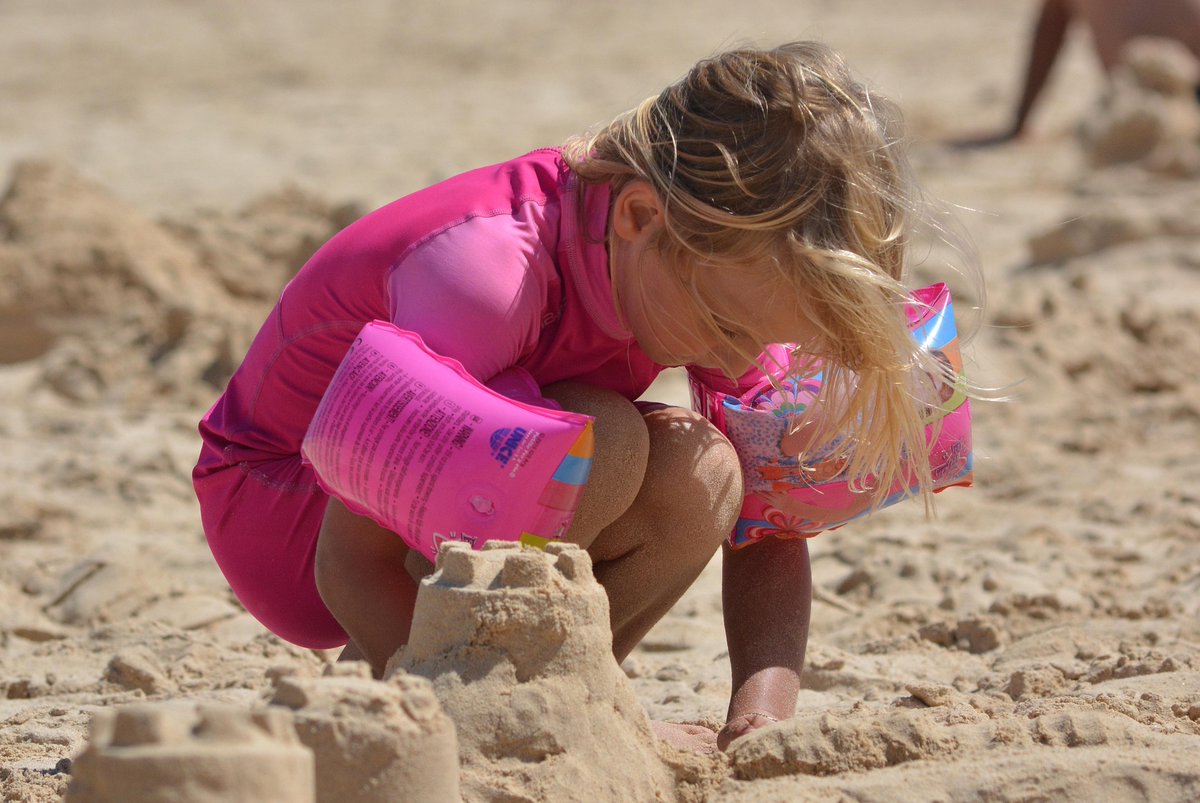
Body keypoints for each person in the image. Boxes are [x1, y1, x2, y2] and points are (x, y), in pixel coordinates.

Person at [192, 41, 979, 754]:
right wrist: (437, 711)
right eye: (725, 325)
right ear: (640, 214)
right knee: (603, 436)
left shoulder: (706, 268)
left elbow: (768, 527)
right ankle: (473, 693)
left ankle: (570, 696)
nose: (738, 356)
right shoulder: (486, 279)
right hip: (289, 502)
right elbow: (349, 561)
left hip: (454, 489)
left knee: (704, 471)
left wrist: (760, 718)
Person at [959, 0, 1200, 146]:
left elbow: (1049, 33)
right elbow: (1050, 31)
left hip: (1138, 98)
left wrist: (1019, 124)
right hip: (1140, 98)